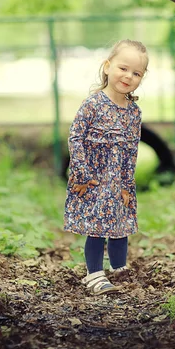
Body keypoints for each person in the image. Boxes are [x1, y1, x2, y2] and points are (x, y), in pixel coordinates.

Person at [64, 39, 148, 295]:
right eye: (123, 68)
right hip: (93, 177)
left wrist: (126, 184)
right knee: (98, 226)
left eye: (136, 73)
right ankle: (94, 274)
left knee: (120, 224)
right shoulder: (93, 104)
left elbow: (132, 149)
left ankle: (119, 269)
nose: (128, 76)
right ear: (108, 66)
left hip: (118, 179)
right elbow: (75, 137)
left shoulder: (133, 112)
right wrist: (82, 173)